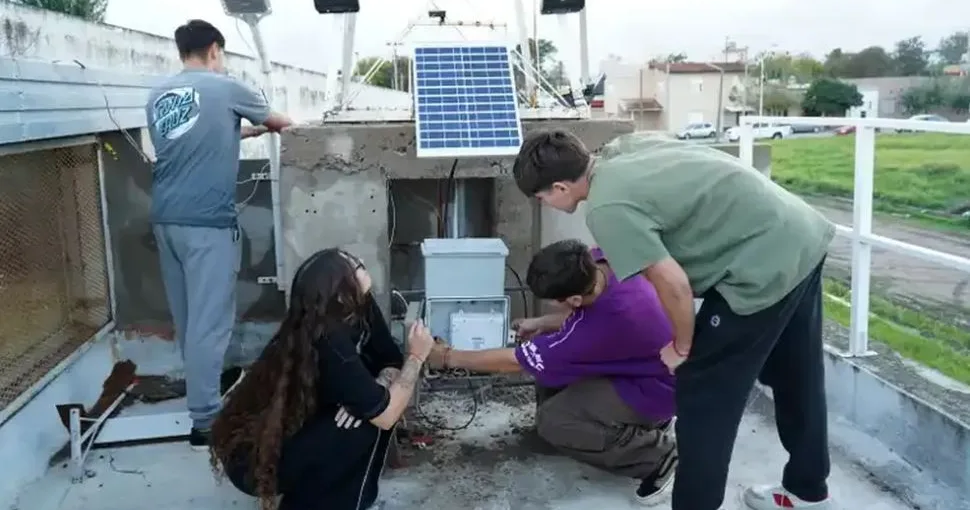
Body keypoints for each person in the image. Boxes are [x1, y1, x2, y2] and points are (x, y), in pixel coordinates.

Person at [512, 130, 836, 510]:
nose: (545, 204)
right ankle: (808, 489)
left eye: (542, 196)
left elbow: (674, 284)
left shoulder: (604, 208)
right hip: (799, 233)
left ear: (561, 186)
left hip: (759, 268)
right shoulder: (625, 147)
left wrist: (682, 346)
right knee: (796, 375)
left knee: (703, 398)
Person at [426, 239, 678, 505]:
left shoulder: (601, 326)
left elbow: (515, 361)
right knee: (551, 376)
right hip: (645, 363)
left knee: (553, 420)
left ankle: (657, 457)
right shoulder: (605, 259)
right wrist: (542, 323)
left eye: (555, 302)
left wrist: (446, 357)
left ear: (575, 299)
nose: (555, 306)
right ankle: (624, 428)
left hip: (656, 388)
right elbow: (591, 320)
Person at [146, 19, 294, 448]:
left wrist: (247, 130)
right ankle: (206, 420)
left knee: (189, 318)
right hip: (207, 224)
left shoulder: (160, 96)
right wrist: (270, 123)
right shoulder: (225, 86)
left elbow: (199, 137)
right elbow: (282, 121)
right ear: (214, 50)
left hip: (166, 220)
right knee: (210, 324)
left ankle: (201, 393)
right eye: (222, 54)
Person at [208, 248, 434, 510]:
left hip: (297, 431)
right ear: (340, 291)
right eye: (357, 266)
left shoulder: (359, 306)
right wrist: (417, 357)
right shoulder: (328, 340)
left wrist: (381, 383)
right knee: (366, 422)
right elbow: (386, 415)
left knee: (368, 407)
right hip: (254, 459)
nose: (363, 265)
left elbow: (389, 359)